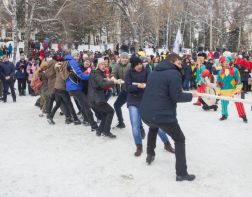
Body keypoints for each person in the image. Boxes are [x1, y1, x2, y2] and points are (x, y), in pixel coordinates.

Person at [140, 53, 197, 181]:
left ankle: (150, 154)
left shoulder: (154, 71)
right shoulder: (174, 73)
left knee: (153, 127)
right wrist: (191, 96)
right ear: (172, 61)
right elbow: (177, 96)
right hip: (162, 115)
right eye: (179, 63)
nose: (180, 65)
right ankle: (181, 173)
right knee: (180, 139)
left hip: (147, 113)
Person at [64, 50, 98, 131]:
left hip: (73, 87)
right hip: (74, 87)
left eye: (78, 55)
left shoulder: (68, 61)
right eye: (76, 55)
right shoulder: (73, 62)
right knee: (86, 105)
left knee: (83, 104)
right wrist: (90, 76)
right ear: (73, 56)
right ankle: (93, 125)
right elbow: (80, 75)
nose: (77, 57)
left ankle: (87, 121)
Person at [88, 58, 120, 138]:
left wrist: (108, 78)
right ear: (98, 65)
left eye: (104, 64)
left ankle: (99, 131)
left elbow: (102, 79)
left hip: (94, 99)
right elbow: (102, 84)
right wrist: (114, 82)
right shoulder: (97, 73)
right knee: (110, 111)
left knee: (106, 113)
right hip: (96, 99)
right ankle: (106, 131)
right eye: (101, 64)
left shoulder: (96, 72)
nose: (103, 66)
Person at [216, 56, 248, 122]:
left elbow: (238, 81)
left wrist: (238, 89)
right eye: (224, 62)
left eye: (227, 62)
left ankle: (243, 115)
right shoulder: (220, 72)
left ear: (230, 62)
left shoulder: (235, 70)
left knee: (238, 102)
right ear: (222, 63)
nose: (226, 63)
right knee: (223, 103)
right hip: (224, 90)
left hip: (233, 90)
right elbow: (218, 83)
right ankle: (224, 114)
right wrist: (218, 91)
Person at [112, 52, 131, 128]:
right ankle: (121, 122)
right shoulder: (117, 66)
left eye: (126, 58)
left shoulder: (130, 65)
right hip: (124, 90)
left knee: (133, 109)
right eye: (123, 58)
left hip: (132, 91)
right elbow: (113, 74)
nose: (124, 59)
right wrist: (115, 79)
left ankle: (140, 127)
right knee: (116, 105)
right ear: (120, 58)